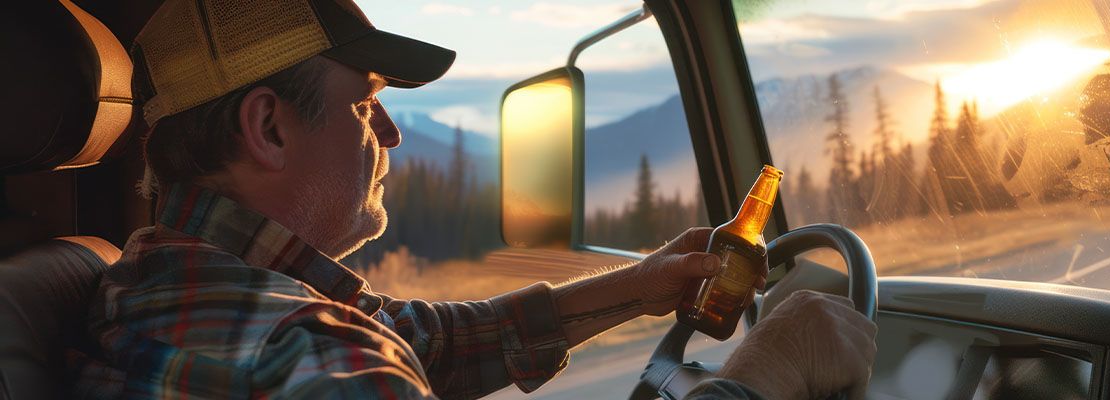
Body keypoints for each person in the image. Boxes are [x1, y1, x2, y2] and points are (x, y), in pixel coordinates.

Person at [69, 0, 876, 398]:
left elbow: (422, 338)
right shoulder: (315, 357)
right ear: (269, 127)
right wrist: (761, 376)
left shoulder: (156, 275)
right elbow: (364, 351)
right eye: (365, 105)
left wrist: (640, 286)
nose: (391, 135)